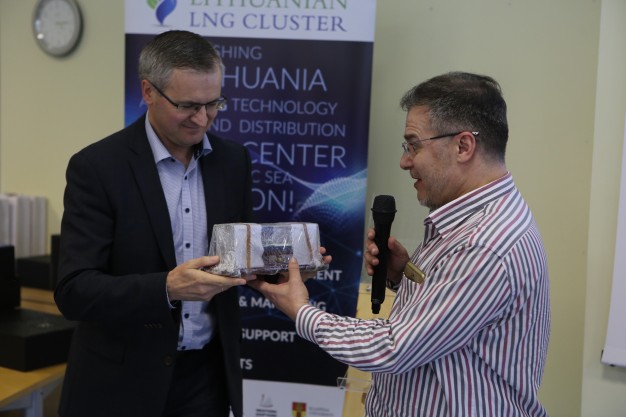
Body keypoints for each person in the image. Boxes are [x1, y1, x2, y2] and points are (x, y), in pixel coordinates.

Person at [249, 72, 550, 417]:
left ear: (463, 146)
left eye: (414, 145)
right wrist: (402, 275)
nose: (405, 161)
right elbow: (449, 321)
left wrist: (302, 312)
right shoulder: (474, 220)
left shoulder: (483, 243)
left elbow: (394, 347)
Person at [55, 30, 253, 417]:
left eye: (213, 103)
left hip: (206, 381)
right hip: (119, 385)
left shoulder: (233, 162)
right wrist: (166, 287)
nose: (202, 119)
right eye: (188, 106)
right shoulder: (97, 168)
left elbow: (239, 256)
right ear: (148, 92)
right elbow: (73, 291)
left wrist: (283, 268)